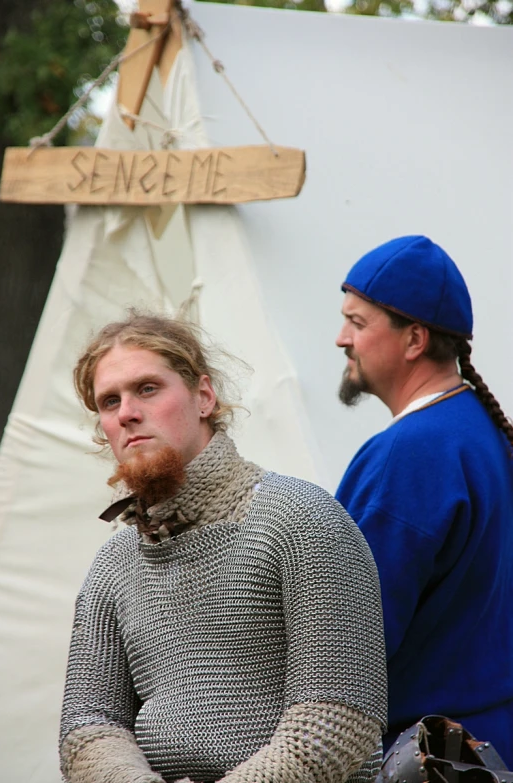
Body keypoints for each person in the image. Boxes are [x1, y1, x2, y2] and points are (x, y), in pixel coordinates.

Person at [59, 311, 387, 783]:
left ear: (204, 396)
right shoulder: (114, 563)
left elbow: (336, 721)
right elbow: (88, 725)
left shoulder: (300, 520)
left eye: (148, 388)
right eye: (109, 402)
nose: (127, 412)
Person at [334, 235, 513, 765]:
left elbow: (348, 640)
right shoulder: (484, 434)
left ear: (414, 339)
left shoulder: (410, 455)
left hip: (433, 757)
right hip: (488, 745)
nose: (341, 338)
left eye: (358, 323)